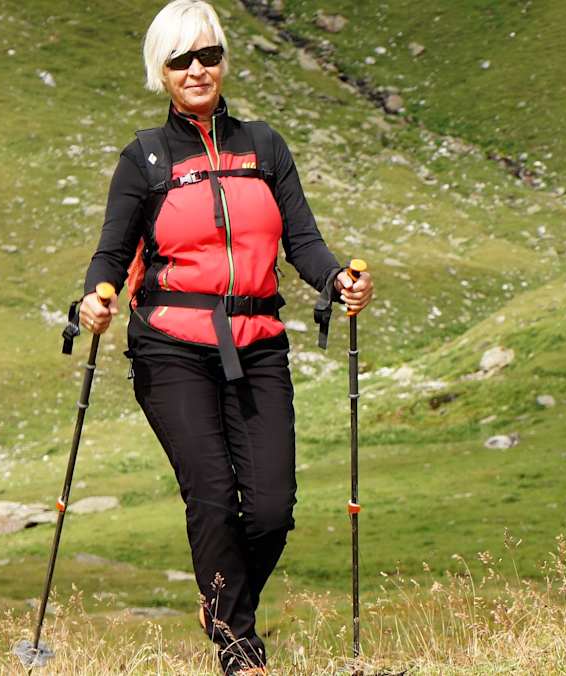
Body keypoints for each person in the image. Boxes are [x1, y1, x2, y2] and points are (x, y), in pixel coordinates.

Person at [76, 1, 372, 673]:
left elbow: (304, 243)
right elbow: (108, 257)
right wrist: (93, 302)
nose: (197, 69)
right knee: (211, 494)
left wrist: (337, 283)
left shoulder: (264, 145)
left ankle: (220, 604)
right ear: (162, 71)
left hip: (258, 341)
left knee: (271, 509)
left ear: (224, 60)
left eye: (208, 55)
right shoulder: (145, 157)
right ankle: (240, 652)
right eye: (181, 59)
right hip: (170, 347)